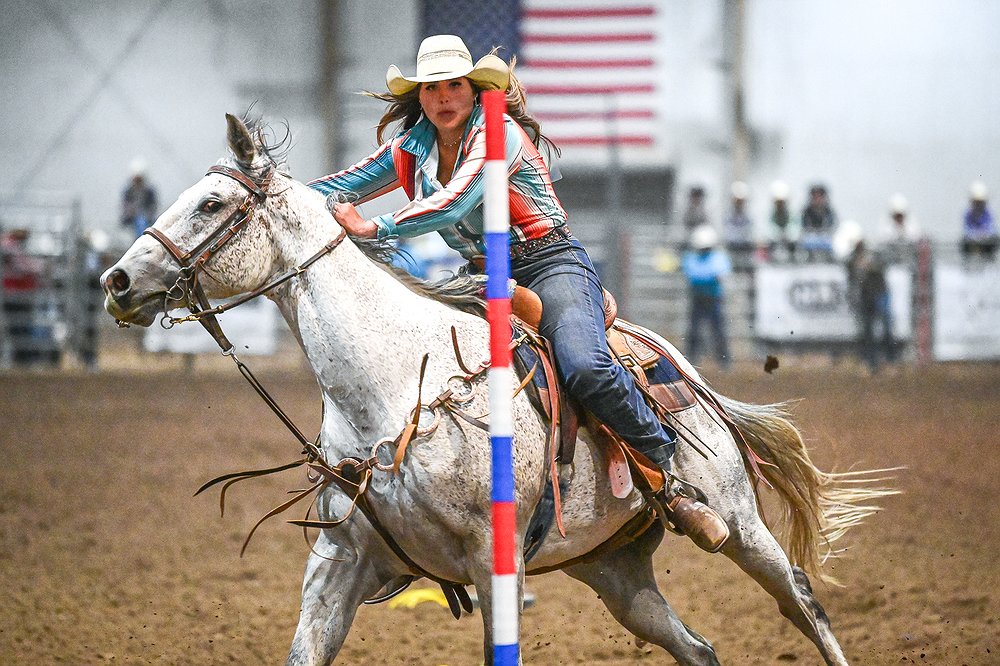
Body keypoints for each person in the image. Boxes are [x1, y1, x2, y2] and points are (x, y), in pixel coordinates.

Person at [307, 34, 728, 551]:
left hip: (550, 262)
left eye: (454, 85)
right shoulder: (407, 149)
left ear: (474, 88)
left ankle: (667, 470)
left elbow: (455, 203)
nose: (443, 97)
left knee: (584, 363)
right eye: (432, 88)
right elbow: (332, 188)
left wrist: (376, 229)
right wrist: (266, 196)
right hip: (482, 274)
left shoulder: (497, 133)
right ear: (419, 96)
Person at [682, 225, 731, 371]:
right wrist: (709, 277)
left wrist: (705, 277)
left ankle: (724, 361)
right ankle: (691, 361)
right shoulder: (691, 257)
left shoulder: (718, 257)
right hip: (698, 298)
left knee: (718, 330)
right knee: (694, 331)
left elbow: (718, 274)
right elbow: (694, 276)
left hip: (713, 298)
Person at [846, 238, 897, 373]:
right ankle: (872, 361)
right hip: (868, 298)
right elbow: (852, 277)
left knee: (885, 329)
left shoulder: (872, 258)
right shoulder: (853, 262)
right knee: (868, 331)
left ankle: (889, 360)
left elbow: (880, 267)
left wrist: (867, 266)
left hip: (879, 295)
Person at [878, 193, 921, 266]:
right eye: (896, 215)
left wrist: (903, 231)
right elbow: (881, 240)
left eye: (900, 215)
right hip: (890, 260)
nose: (899, 218)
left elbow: (916, 237)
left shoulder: (912, 224)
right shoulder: (885, 225)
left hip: (909, 260)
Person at [120, 158, 158, 239]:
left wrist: (146, 215)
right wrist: (131, 212)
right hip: (131, 222)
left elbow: (153, 207)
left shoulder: (149, 191)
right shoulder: (128, 191)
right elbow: (125, 207)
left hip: (147, 221)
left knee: (142, 222)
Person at [961, 181, 997, 261]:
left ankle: (990, 260)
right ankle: (967, 262)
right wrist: (974, 236)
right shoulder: (968, 214)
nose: (978, 205)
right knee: (964, 242)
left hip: (986, 241)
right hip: (972, 241)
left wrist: (984, 235)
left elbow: (991, 228)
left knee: (994, 241)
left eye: (980, 202)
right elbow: (966, 229)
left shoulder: (988, 213)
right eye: (976, 202)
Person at [800, 183, 837, 262]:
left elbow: (832, 226)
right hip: (810, 238)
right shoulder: (806, 211)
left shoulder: (828, 211)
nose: (817, 199)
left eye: (819, 196)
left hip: (825, 238)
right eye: (815, 196)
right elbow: (804, 226)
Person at [722, 181, 754, 269]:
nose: (739, 203)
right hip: (732, 249)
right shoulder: (728, 215)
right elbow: (729, 234)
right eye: (737, 200)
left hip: (746, 250)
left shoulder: (749, 215)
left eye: (741, 201)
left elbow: (750, 233)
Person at [766, 180, 798, 262]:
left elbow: (794, 229)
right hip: (774, 245)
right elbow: (767, 230)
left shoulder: (791, 215)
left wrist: (786, 235)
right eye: (778, 202)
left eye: (782, 202)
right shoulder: (769, 215)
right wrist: (777, 235)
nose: (780, 205)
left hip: (788, 244)